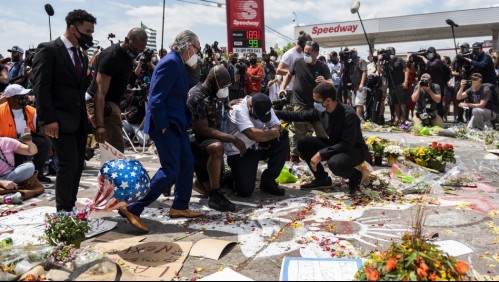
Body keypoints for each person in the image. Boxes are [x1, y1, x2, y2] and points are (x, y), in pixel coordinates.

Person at [119, 30, 203, 233]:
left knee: (187, 163)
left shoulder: (180, 64)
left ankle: (179, 206)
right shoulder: (170, 63)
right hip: (165, 126)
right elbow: (156, 98)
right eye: (197, 48)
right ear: (188, 46)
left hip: (177, 124)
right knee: (170, 169)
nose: (198, 53)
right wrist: (164, 124)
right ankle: (133, 207)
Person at [31, 9, 97, 212]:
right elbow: (41, 87)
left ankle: (71, 204)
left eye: (91, 32)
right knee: (67, 164)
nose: (89, 36)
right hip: (58, 120)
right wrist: (48, 119)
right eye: (86, 31)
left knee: (78, 165)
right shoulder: (49, 50)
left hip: (77, 120)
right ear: (72, 27)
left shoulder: (81, 55)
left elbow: (79, 88)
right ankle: (63, 210)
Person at [275, 82, 368, 194]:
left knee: (335, 163)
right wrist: (275, 113)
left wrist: (321, 153)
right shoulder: (322, 111)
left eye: (317, 100)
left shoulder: (348, 114)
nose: (314, 103)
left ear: (328, 100)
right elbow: (300, 116)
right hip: (335, 146)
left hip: (354, 149)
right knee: (303, 143)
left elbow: (347, 144)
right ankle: (322, 179)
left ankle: (355, 176)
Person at [187, 65, 247, 211]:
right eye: (223, 85)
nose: (225, 89)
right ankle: (215, 195)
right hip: (196, 139)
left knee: (211, 184)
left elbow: (213, 108)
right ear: (213, 81)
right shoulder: (197, 96)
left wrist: (226, 105)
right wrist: (232, 139)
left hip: (209, 137)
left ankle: (198, 183)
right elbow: (202, 129)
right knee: (217, 147)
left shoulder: (216, 92)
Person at [88, 28, 148, 153]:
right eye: (134, 49)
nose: (136, 53)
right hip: (102, 103)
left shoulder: (128, 56)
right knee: (115, 150)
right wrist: (100, 125)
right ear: (126, 40)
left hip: (112, 103)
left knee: (114, 150)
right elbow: (100, 92)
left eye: (140, 51)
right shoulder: (111, 57)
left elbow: (127, 80)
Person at [224, 93, 289, 197]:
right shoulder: (238, 109)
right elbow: (253, 134)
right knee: (245, 191)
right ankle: (229, 177)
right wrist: (270, 134)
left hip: (257, 146)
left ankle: (268, 181)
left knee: (283, 138)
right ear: (251, 106)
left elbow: (276, 126)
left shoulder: (265, 106)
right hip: (240, 151)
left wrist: (268, 135)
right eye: (258, 116)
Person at [279, 40, 331, 163]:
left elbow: (331, 83)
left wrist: (325, 81)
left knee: (322, 131)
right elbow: (289, 75)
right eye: (305, 52)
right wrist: (282, 87)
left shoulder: (322, 67)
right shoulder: (298, 62)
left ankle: (324, 156)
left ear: (317, 53)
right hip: (299, 104)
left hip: (317, 106)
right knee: (298, 133)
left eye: (309, 53)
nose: (306, 55)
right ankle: (295, 158)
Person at [0, 84, 51, 183]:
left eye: (25, 95)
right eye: (21, 96)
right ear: (10, 99)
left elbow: (41, 131)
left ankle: (38, 173)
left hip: (25, 140)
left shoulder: (31, 110)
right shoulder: (1, 110)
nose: (25, 98)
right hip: (5, 144)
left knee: (45, 143)